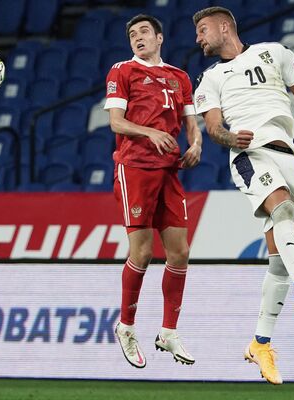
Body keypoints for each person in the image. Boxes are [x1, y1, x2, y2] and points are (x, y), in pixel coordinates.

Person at [192, 7, 294, 384]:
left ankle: (260, 344)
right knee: (283, 208)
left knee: (277, 261)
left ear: (225, 27)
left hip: (287, 153)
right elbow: (213, 127)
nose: (198, 38)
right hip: (250, 154)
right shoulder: (209, 78)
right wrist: (228, 138)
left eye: (203, 30)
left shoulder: (275, 52)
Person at [104, 13, 202, 369]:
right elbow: (115, 121)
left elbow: (192, 122)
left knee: (180, 252)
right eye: (132, 34)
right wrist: (149, 133)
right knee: (142, 253)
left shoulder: (179, 77)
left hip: (169, 170)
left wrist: (196, 144)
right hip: (135, 167)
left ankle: (168, 331)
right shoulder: (122, 71)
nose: (138, 38)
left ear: (159, 38)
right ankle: (126, 326)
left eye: (144, 32)